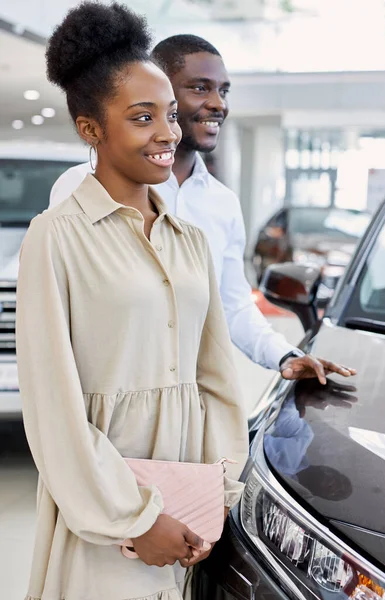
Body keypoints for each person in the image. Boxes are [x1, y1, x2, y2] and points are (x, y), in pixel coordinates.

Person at [16, 4, 248, 600]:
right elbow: (52, 404)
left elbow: (216, 378)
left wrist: (218, 489)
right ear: (92, 129)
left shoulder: (190, 239)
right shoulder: (57, 235)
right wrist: (136, 519)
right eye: (143, 118)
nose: (168, 133)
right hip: (102, 502)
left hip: (193, 507)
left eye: (170, 114)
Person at [50, 33, 356, 386]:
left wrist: (286, 356)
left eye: (223, 91)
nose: (218, 104)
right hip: (105, 401)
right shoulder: (81, 187)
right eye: (200, 88)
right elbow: (57, 320)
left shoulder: (222, 203)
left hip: (191, 403)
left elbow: (232, 305)